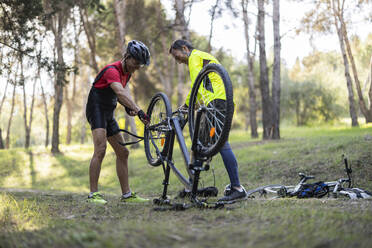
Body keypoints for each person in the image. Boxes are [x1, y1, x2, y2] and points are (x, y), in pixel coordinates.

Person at [169, 39, 247, 203]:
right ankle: (191, 187)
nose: (177, 61)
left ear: (184, 48)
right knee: (198, 145)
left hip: (215, 103)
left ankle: (237, 188)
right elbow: (203, 87)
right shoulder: (204, 57)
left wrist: (186, 106)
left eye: (177, 56)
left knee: (221, 143)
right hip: (221, 101)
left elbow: (196, 85)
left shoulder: (194, 57)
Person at [86, 40, 151, 204]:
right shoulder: (111, 70)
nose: (137, 68)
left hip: (108, 112)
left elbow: (118, 96)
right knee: (100, 149)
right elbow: (120, 93)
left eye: (140, 65)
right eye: (136, 63)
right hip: (96, 109)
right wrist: (138, 110)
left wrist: (129, 108)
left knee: (123, 152)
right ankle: (93, 194)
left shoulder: (127, 73)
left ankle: (127, 195)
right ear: (127, 57)